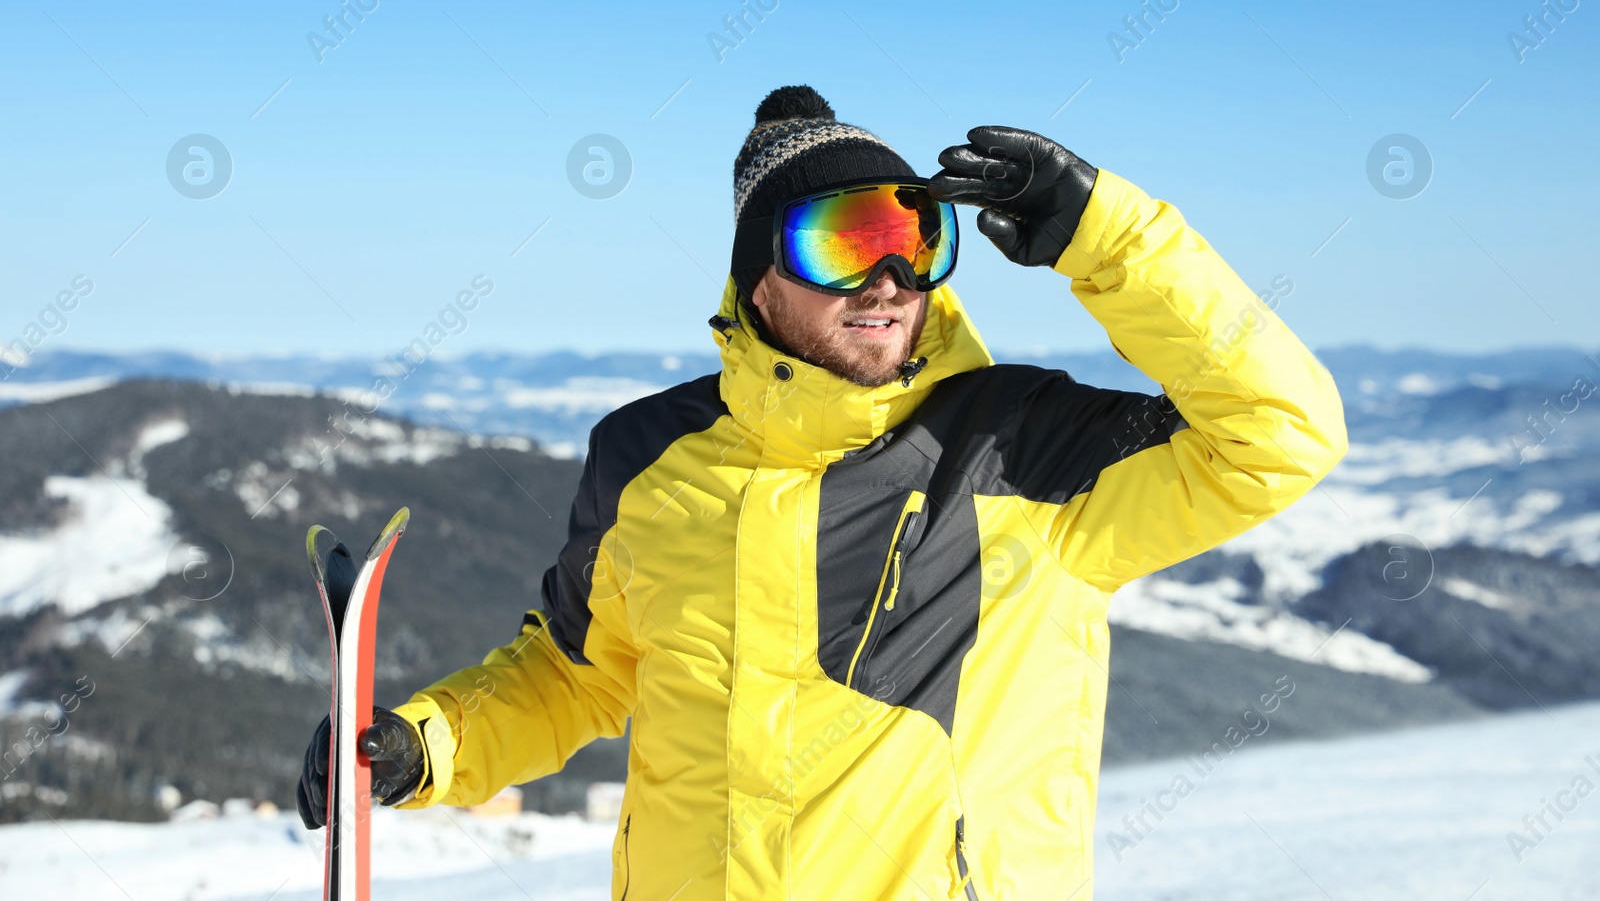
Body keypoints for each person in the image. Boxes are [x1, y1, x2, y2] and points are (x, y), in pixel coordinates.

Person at [296, 85, 1348, 899]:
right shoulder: (645, 454)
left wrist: (1100, 232)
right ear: (758, 278)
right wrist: (424, 740)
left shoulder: (1023, 447)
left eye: (912, 239)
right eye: (841, 244)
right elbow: (579, 676)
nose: (886, 279)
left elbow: (1279, 431)